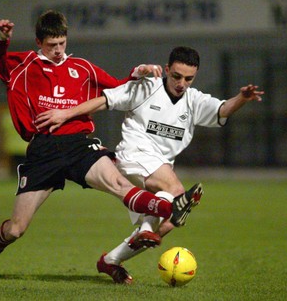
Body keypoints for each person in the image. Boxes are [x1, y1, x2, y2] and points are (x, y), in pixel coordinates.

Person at [0, 11, 200, 272]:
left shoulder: (81, 67)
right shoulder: (22, 66)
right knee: (16, 229)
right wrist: (1, 39)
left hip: (78, 145)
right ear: (38, 42)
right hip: (43, 151)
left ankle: (171, 206)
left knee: (118, 183)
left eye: (62, 43)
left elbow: (118, 88)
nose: (58, 50)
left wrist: (139, 72)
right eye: (51, 45)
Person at [35, 46, 265, 284]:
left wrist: (242, 99)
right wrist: (65, 114)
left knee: (165, 226)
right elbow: (104, 101)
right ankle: (156, 218)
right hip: (133, 156)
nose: (181, 83)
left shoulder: (194, 100)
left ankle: (112, 260)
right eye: (176, 76)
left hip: (160, 167)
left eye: (188, 78)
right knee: (177, 193)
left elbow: (222, 110)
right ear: (167, 70)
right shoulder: (146, 87)